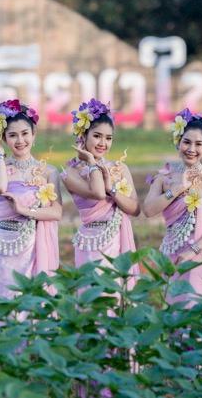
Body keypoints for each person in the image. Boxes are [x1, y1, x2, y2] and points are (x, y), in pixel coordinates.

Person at [143, 108, 202, 304]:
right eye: (187, 142)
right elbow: (148, 210)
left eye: (199, 144)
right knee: (174, 312)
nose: (192, 149)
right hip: (172, 254)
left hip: (201, 254)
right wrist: (178, 188)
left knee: (199, 313)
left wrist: (194, 250)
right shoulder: (164, 178)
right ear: (178, 142)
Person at [0, 99, 62, 299]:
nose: (20, 140)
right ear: (4, 138)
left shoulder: (48, 172)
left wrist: (25, 211)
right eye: (12, 135)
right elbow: (0, 187)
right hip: (4, 247)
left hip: (34, 247)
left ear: (34, 135)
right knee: (3, 299)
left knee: (32, 303)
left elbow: (57, 212)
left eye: (25, 133)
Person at [61, 99, 141, 286]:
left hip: (117, 241)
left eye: (109, 138)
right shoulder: (69, 172)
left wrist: (112, 190)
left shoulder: (120, 168)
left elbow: (136, 209)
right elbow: (97, 193)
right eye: (97, 136)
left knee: (116, 298)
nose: (103, 143)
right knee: (94, 298)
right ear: (83, 136)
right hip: (90, 244)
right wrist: (91, 162)